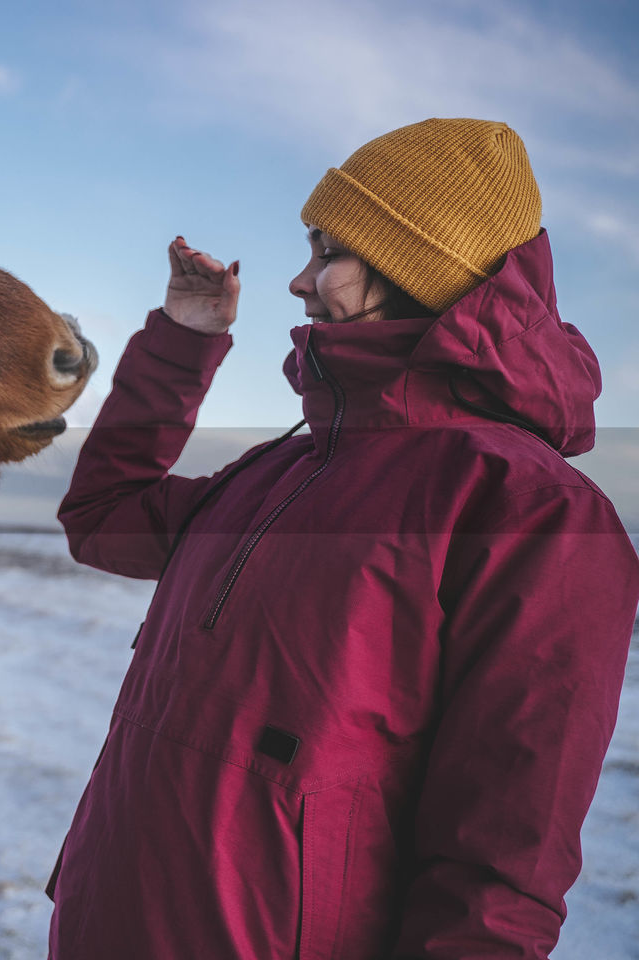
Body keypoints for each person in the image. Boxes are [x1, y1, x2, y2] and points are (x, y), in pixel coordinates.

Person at [47, 118, 639, 959]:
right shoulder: (279, 470)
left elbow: (499, 872)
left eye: (327, 251)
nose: (297, 281)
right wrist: (184, 341)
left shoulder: (531, 510)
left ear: (412, 267)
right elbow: (102, 515)